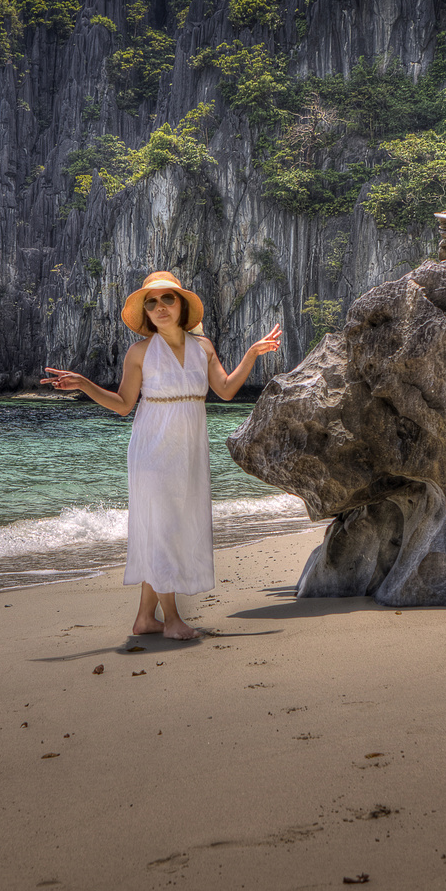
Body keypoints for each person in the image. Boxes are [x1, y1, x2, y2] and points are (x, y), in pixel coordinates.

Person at [41, 271, 282, 640]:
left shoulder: (203, 347)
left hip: (189, 450)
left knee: (169, 527)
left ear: (181, 304)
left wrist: (251, 353)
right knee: (164, 529)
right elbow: (123, 405)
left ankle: (144, 619)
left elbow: (227, 390)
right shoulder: (139, 353)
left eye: (167, 299)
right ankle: (171, 620)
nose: (159, 307)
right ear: (146, 312)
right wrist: (86, 385)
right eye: (151, 302)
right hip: (152, 451)